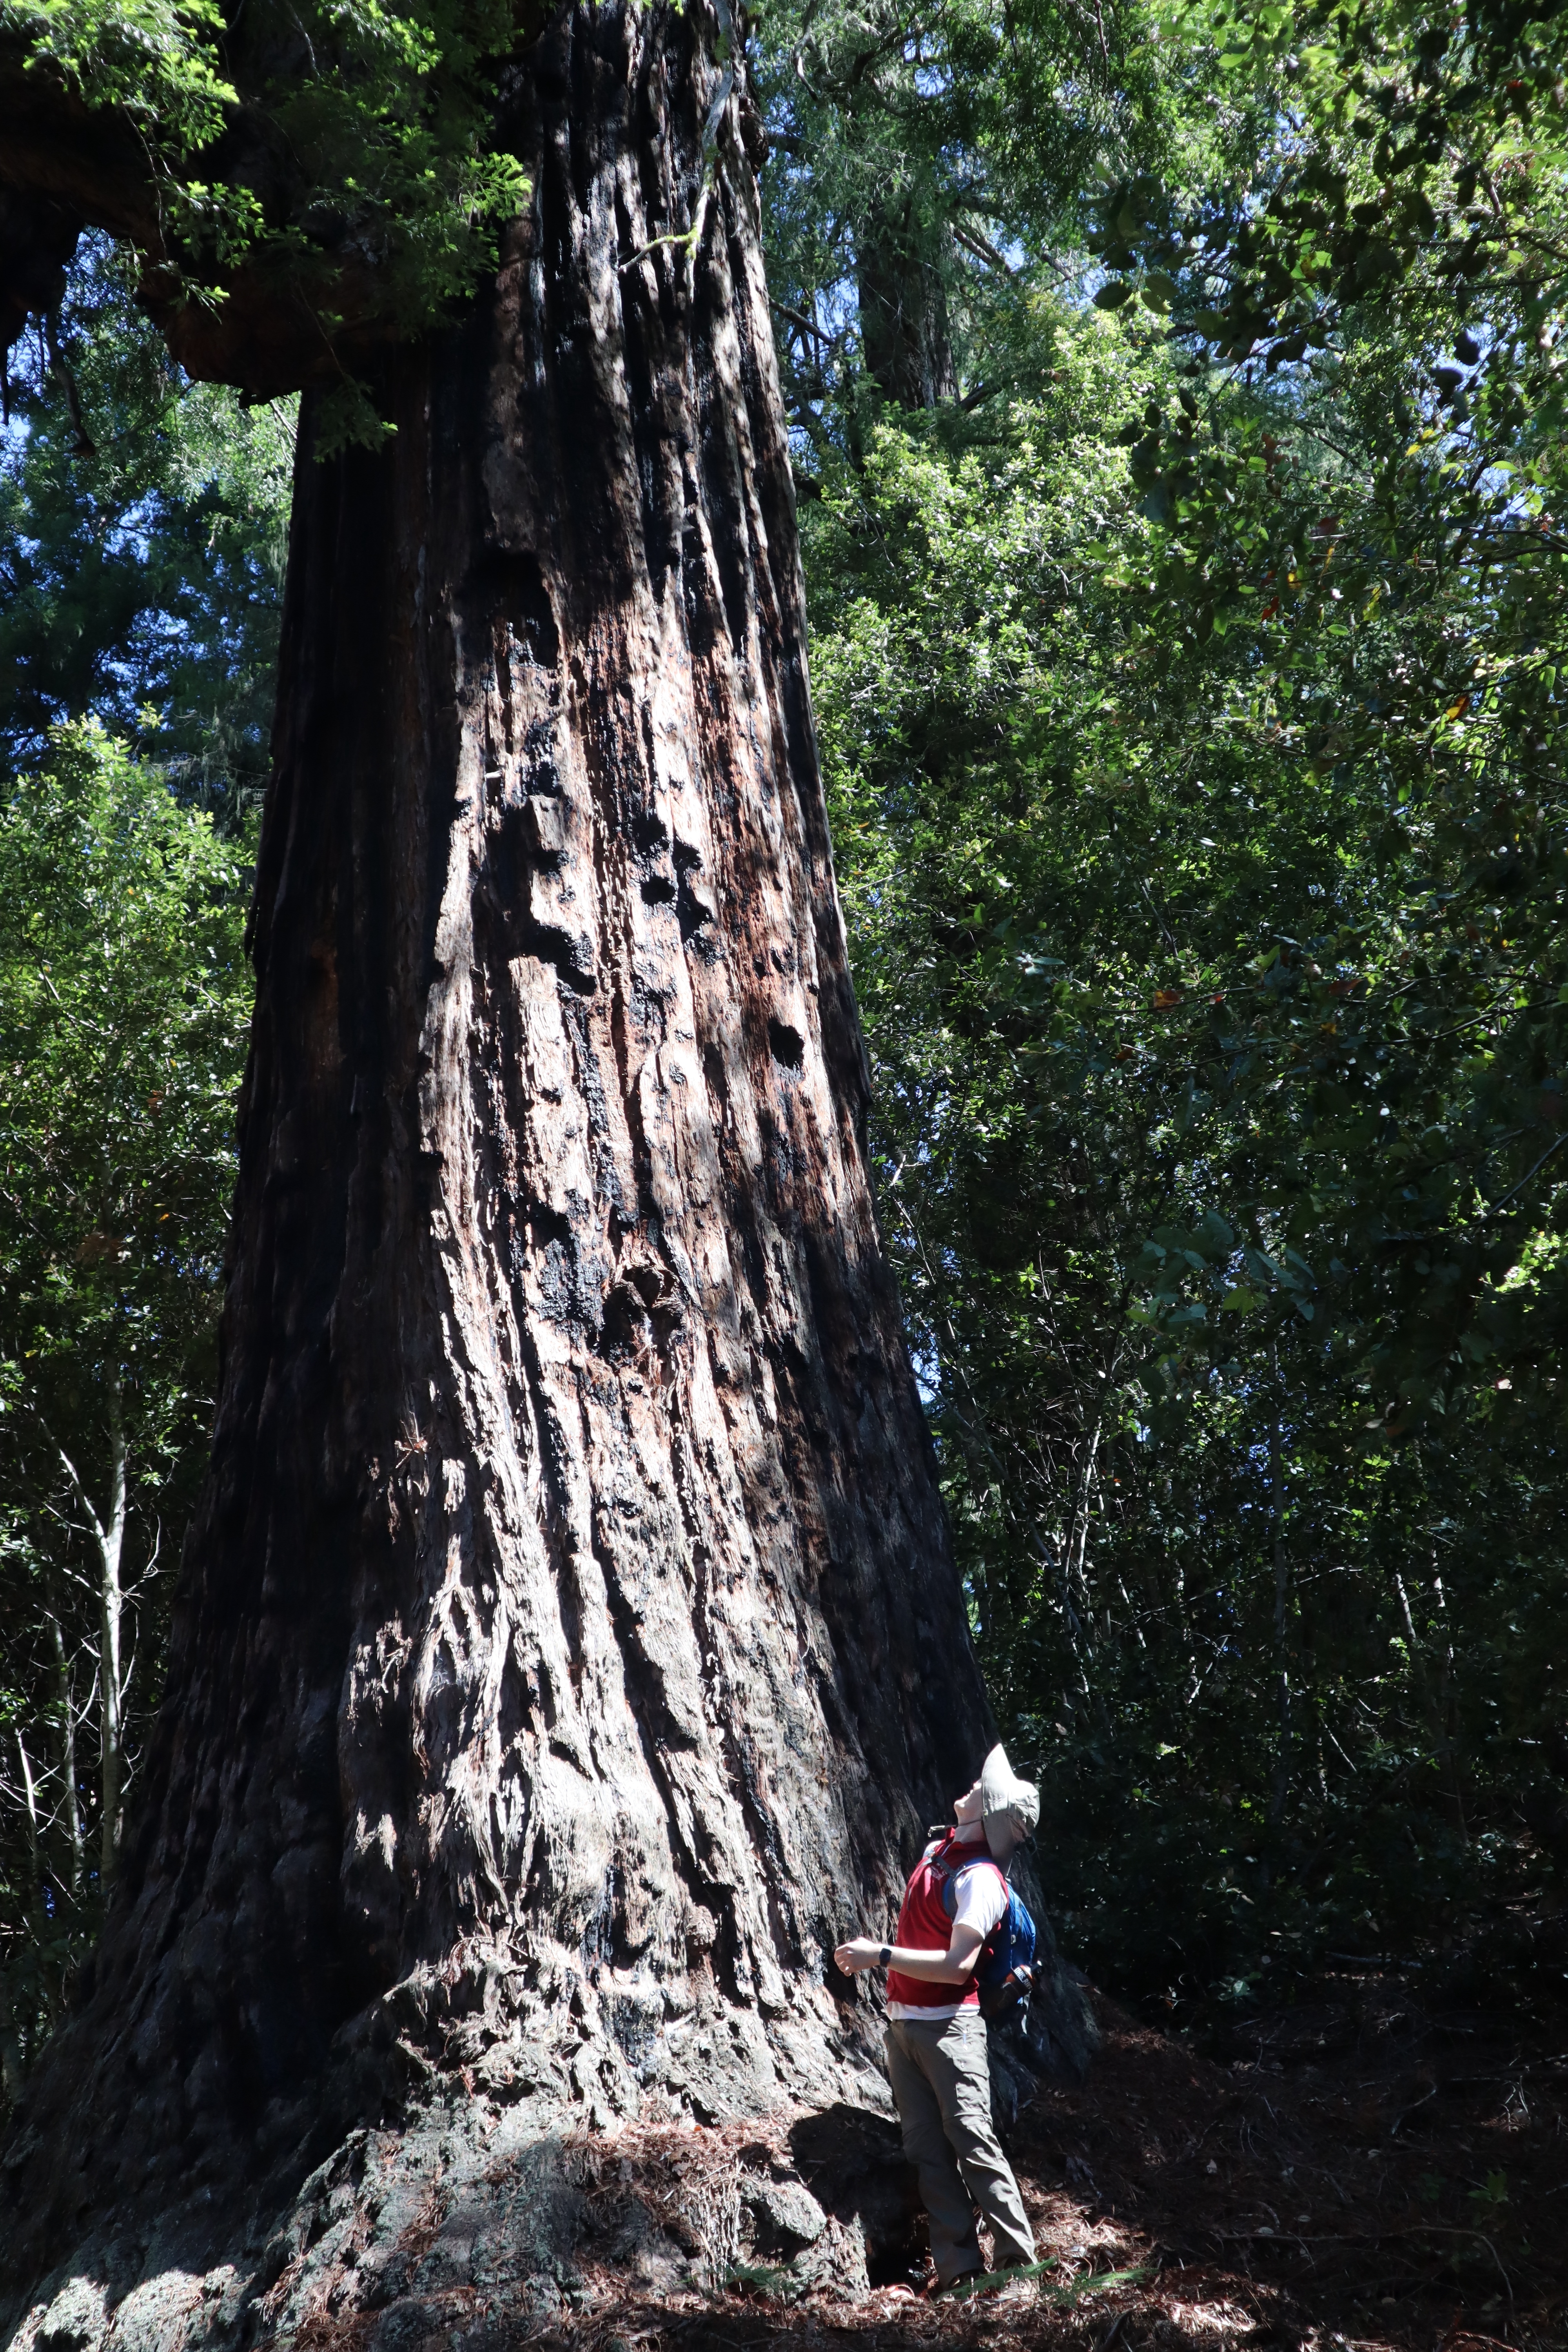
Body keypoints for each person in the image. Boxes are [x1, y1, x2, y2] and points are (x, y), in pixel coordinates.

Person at [835, 1743, 1041, 2294]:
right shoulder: (937, 1852)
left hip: (951, 2030)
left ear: (989, 1813)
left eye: (981, 1788)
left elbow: (957, 1968)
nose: (971, 1786)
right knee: (927, 2152)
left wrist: (878, 1956)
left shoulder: (982, 1882)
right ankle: (959, 2273)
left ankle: (1021, 2272)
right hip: (906, 2028)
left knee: (973, 2143)